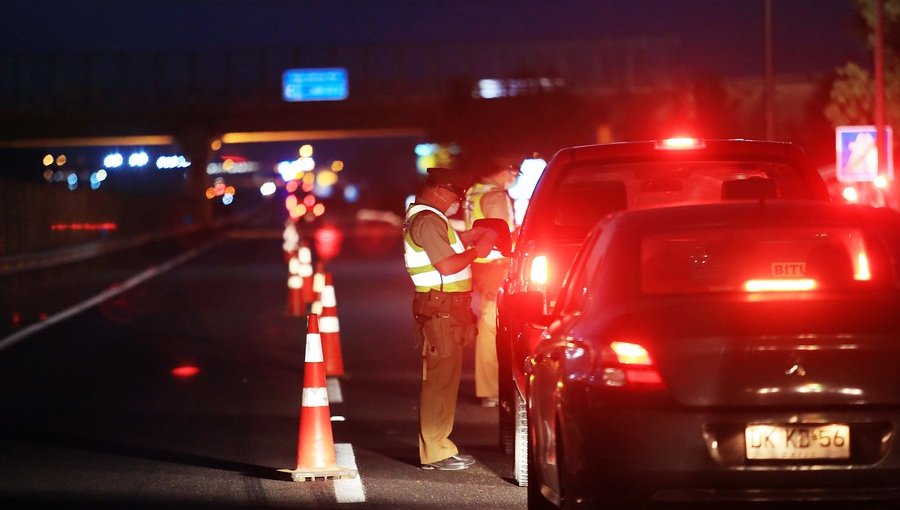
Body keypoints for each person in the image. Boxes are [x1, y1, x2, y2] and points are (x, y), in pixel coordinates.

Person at [403, 167, 497, 471]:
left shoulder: (431, 218)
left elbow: (447, 245)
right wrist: (477, 250)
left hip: (447, 309)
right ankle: (435, 450)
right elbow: (445, 265)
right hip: (439, 310)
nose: (458, 202)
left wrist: (468, 237)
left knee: (446, 380)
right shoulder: (427, 219)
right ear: (441, 191)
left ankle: (441, 445)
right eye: (456, 196)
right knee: (438, 382)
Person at [463, 163, 518, 407]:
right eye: (514, 174)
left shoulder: (475, 191)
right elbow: (501, 232)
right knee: (492, 325)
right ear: (505, 171)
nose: (513, 179)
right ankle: (492, 388)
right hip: (495, 265)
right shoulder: (495, 195)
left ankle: (491, 388)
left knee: (488, 324)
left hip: (481, 265)